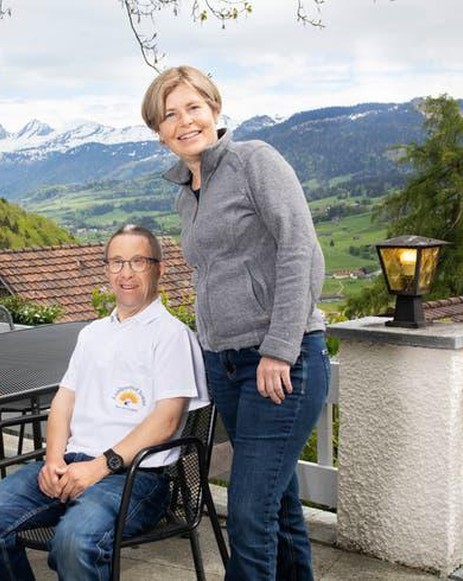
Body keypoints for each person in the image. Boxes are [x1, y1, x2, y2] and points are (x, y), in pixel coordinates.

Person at [141, 66, 330, 580]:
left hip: (279, 364)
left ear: (215, 109)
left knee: (246, 514)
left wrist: (279, 348)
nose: (184, 122)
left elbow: (301, 252)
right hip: (225, 366)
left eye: (194, 108)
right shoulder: (187, 191)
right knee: (278, 507)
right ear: (158, 130)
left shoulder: (254, 160)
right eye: (169, 115)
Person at [0, 224, 209, 580]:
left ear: (159, 268)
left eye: (138, 261)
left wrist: (99, 467)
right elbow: (63, 401)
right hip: (71, 464)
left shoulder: (172, 336)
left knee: (75, 539)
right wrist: (52, 460)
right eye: (117, 262)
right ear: (106, 269)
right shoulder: (92, 334)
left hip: (136, 476)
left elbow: (167, 420)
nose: (126, 273)